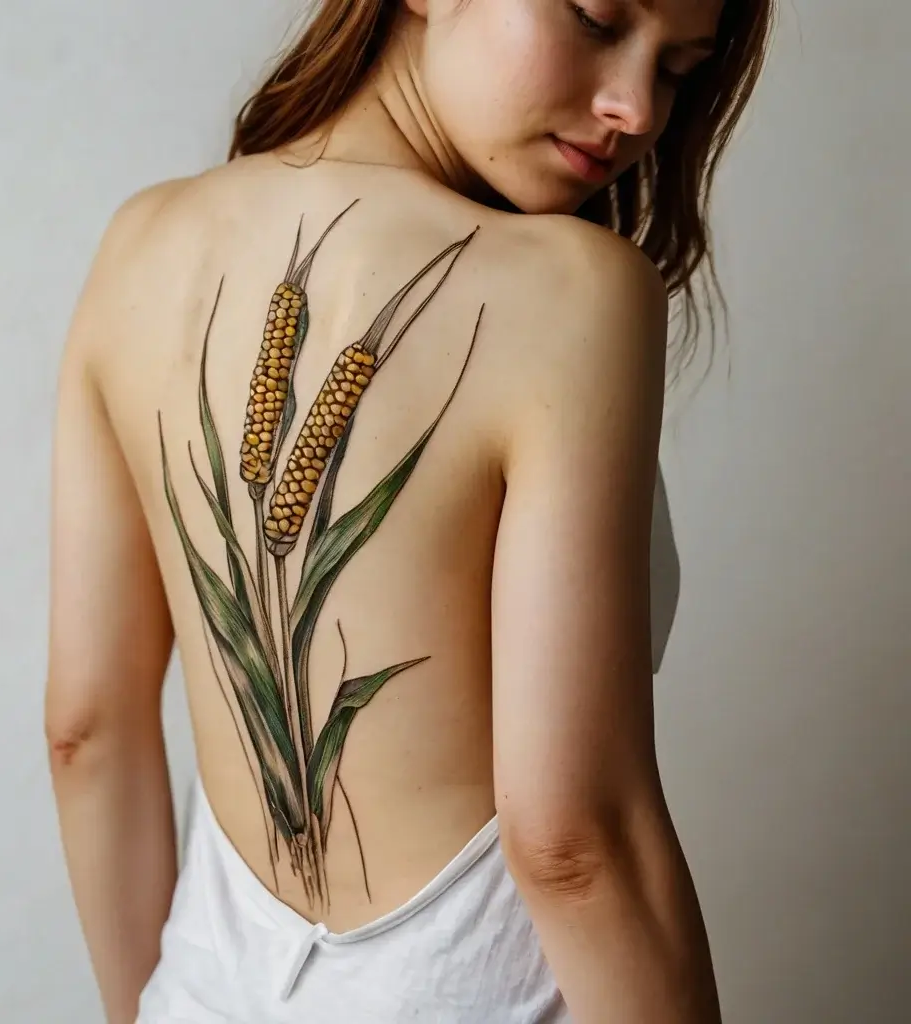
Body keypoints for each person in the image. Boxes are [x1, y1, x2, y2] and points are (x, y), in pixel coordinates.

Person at [45, 1, 775, 1021]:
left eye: (679, 69)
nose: (636, 109)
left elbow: (87, 729)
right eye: (598, 18)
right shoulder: (573, 292)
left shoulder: (140, 242)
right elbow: (572, 838)